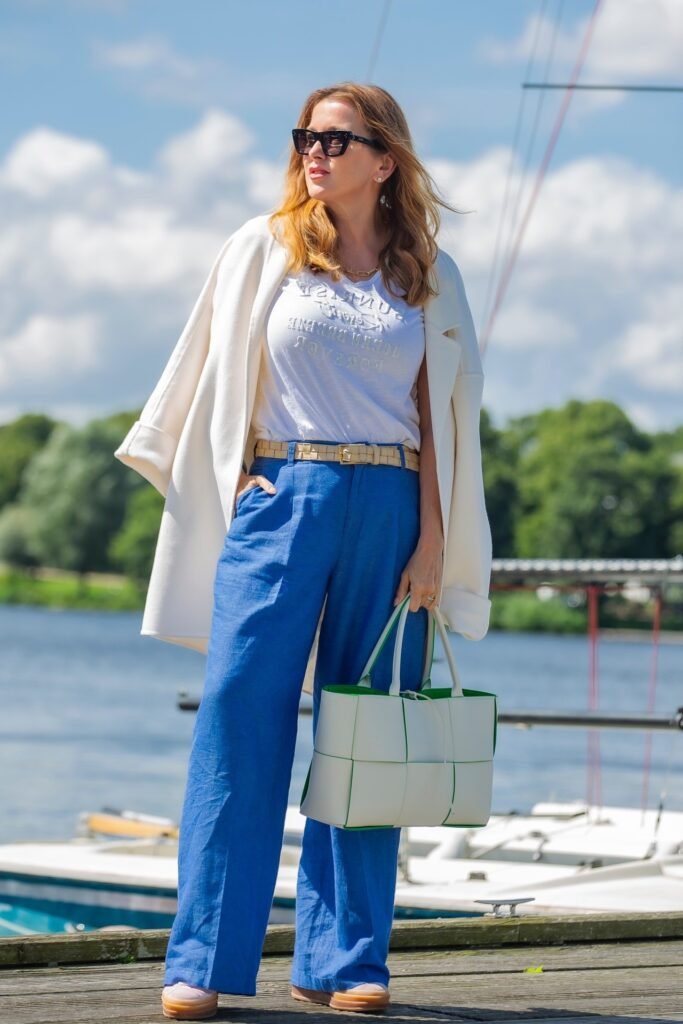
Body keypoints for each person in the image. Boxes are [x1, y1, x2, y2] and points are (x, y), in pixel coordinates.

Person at [115, 81, 492, 1021]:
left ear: (384, 159)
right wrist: (231, 470)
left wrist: (434, 538)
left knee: (369, 730)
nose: (313, 152)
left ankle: (344, 959)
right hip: (285, 497)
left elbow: (443, 415)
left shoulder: (428, 276)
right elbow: (198, 370)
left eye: (336, 138)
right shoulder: (266, 248)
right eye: (305, 138)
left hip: (396, 507)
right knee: (241, 720)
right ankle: (201, 960)